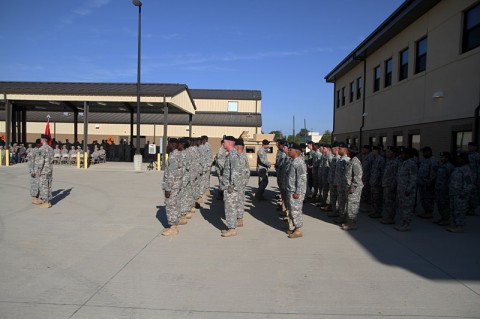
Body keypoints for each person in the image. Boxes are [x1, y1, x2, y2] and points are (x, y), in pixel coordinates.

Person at [161, 138, 183, 236]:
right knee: (175, 204)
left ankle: (173, 228)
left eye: (168, 144)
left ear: (172, 145)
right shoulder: (178, 154)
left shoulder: (173, 156)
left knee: (171, 205)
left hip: (172, 185)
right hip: (177, 184)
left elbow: (171, 174)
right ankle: (174, 225)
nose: (167, 146)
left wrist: (168, 188)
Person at [285, 143, 307, 238]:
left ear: (296, 152)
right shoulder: (293, 161)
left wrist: (297, 192)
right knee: (292, 210)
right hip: (291, 190)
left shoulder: (299, 163)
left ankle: (298, 230)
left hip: (296, 192)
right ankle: (295, 227)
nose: (289, 151)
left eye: (291, 149)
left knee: (296, 210)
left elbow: (301, 178)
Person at [447, 152, 473, 233]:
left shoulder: (466, 169)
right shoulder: (457, 168)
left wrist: (464, 193)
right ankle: (455, 225)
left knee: (460, 210)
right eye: (457, 158)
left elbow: (468, 183)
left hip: (460, 194)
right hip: (453, 193)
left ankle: (460, 226)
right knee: (454, 210)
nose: (458, 160)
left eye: (460, 158)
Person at [221, 136, 241, 237]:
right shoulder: (231, 154)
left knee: (231, 208)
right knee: (229, 208)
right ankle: (230, 227)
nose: (223, 144)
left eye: (224, 142)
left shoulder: (233, 155)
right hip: (228, 186)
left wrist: (231, 186)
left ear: (229, 143)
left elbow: (235, 172)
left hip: (231, 188)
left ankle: (232, 229)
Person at [395, 148, 418, 231]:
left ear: (408, 155)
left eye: (403, 154)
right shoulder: (403, 163)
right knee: (402, 207)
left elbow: (413, 178)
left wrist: (409, 189)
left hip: (407, 191)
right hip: (401, 189)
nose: (401, 155)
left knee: (407, 208)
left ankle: (407, 224)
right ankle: (403, 222)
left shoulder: (412, 164)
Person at [341, 146, 363, 230]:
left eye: (349, 151)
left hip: (354, 189)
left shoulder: (356, 162)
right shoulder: (352, 161)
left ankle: (352, 224)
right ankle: (349, 222)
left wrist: (352, 187)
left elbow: (357, 176)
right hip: (350, 187)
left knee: (353, 206)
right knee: (350, 205)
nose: (347, 152)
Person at [417, 146, 438, 219]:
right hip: (422, 183)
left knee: (428, 198)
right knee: (423, 198)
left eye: (424, 152)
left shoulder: (433, 161)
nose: (423, 154)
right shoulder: (424, 160)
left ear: (429, 152)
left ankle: (429, 212)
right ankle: (426, 211)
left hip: (428, 184)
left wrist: (429, 183)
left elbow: (433, 174)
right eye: (423, 152)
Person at [434, 152, 454, 225]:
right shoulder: (441, 165)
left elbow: (451, 179)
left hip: (445, 189)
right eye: (441, 157)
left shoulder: (449, 167)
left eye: (443, 157)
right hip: (439, 188)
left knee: (445, 204)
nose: (441, 158)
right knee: (439, 204)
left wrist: (448, 189)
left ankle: (446, 219)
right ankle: (442, 217)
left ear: (447, 158)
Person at [380, 146, 399, 224]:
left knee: (390, 203)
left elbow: (395, 176)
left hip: (390, 186)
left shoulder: (395, 163)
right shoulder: (388, 161)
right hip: (386, 185)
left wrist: (392, 186)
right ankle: (388, 216)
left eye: (389, 152)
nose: (387, 153)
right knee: (387, 202)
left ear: (393, 154)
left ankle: (390, 218)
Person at [35, 134, 54, 208]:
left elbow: (41, 161)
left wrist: (39, 170)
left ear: (43, 139)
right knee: (49, 186)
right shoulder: (51, 149)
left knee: (43, 186)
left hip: (44, 170)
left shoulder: (42, 149)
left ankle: (45, 202)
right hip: (50, 170)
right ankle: (48, 201)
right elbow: (51, 160)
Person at [235, 138, 250, 228]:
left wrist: (243, 182)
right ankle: (238, 218)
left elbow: (247, 171)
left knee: (239, 201)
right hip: (238, 183)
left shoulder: (242, 156)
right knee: (238, 200)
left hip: (240, 183)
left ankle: (239, 219)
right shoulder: (241, 155)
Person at [368, 145, 385, 218]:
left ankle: (378, 212)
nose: (372, 152)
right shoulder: (374, 159)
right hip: (373, 182)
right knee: (373, 198)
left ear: (377, 151)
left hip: (377, 183)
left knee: (377, 198)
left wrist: (381, 182)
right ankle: (374, 211)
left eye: (374, 150)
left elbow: (382, 172)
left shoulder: (381, 159)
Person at [467, 142, 480, 215]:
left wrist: (478, 179)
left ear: (475, 147)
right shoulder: (467, 155)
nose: (469, 147)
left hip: (475, 177)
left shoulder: (477, 156)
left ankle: (472, 209)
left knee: (473, 193)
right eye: (469, 146)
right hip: (468, 176)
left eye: (471, 146)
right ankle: (468, 208)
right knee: (467, 191)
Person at [28, 139, 42, 204]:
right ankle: (34, 199)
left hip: (40, 171)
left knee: (39, 185)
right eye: (40, 143)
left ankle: (37, 197)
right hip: (35, 171)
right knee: (34, 184)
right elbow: (30, 161)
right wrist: (31, 171)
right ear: (37, 144)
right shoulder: (33, 151)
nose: (41, 144)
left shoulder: (41, 150)